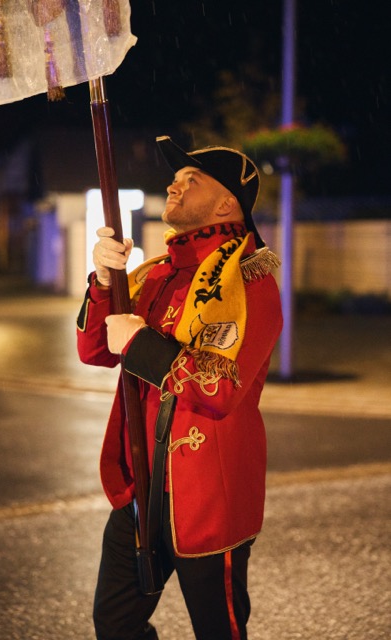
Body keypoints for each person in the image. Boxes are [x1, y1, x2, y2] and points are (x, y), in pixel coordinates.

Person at [77, 135, 283, 640]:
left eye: (191, 179)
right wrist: (103, 282)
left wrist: (141, 342)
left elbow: (218, 387)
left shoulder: (250, 281)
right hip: (140, 487)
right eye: (175, 178)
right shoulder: (155, 275)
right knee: (115, 624)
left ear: (226, 204)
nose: (174, 184)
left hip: (209, 497)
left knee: (218, 631)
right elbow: (95, 350)